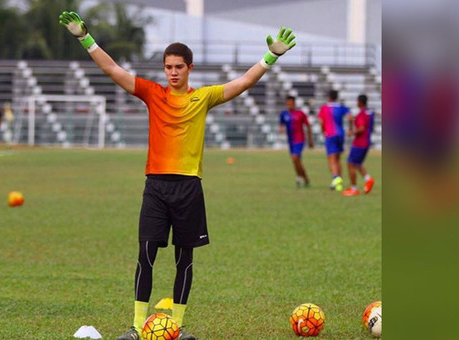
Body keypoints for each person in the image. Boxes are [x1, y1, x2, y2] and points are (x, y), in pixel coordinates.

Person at [59, 11, 296, 340]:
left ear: (189, 68)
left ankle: (178, 328)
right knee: (146, 254)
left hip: (188, 187)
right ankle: (137, 327)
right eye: (168, 67)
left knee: (185, 258)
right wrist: (85, 39)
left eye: (178, 67)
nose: (172, 72)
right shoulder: (152, 93)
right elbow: (112, 69)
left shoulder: (203, 97)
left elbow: (242, 83)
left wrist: (270, 56)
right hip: (155, 186)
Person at [317, 89, 351, 191]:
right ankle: (338, 184)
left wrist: (323, 131)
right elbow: (350, 117)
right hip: (340, 134)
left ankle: (336, 178)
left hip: (330, 134)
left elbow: (321, 122)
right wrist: (350, 128)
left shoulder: (324, 108)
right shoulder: (341, 107)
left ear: (329, 97)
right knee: (338, 159)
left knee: (331, 159)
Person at [342, 94, 375, 196]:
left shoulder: (361, 114)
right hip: (366, 142)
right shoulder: (369, 113)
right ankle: (368, 179)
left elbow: (361, 128)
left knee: (350, 163)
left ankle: (354, 189)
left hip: (359, 143)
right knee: (357, 163)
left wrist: (352, 133)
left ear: (360, 102)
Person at [279, 95, 314, 187]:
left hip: (300, 140)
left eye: (291, 103)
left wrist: (310, 140)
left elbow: (308, 126)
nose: (289, 105)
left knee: (295, 158)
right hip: (291, 141)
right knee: (296, 161)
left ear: (294, 103)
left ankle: (299, 177)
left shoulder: (300, 114)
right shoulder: (284, 114)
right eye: (288, 103)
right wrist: (281, 128)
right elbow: (281, 124)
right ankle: (304, 178)